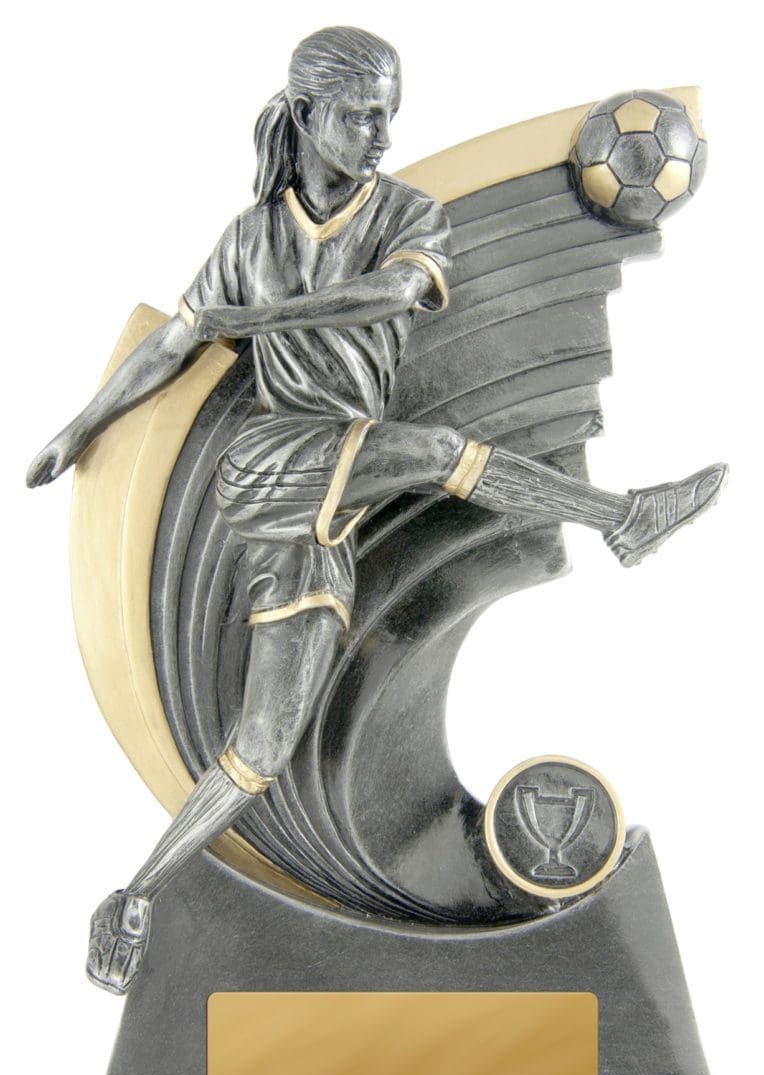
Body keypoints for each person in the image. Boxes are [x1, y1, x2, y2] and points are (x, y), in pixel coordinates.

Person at [27, 26, 726, 995]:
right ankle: (623, 518)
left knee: (263, 748)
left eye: (388, 116)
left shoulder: (408, 214)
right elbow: (172, 345)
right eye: (358, 116)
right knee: (436, 454)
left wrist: (251, 322)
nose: (379, 136)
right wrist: (79, 426)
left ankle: (135, 893)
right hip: (270, 462)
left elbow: (388, 296)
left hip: (325, 512)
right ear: (305, 113)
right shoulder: (250, 237)